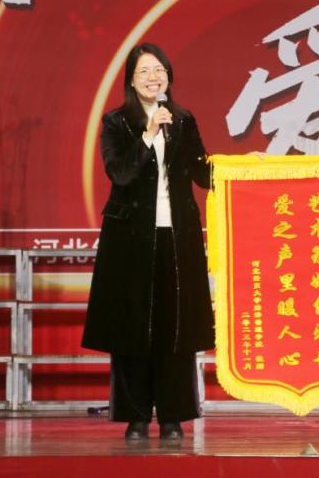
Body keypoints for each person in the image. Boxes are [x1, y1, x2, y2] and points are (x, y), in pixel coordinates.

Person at [82, 43, 214, 442]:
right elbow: (119, 173)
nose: (154, 77)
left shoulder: (184, 120)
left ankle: (174, 416)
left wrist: (243, 169)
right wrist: (149, 133)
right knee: (132, 327)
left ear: (169, 77)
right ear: (131, 80)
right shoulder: (115, 122)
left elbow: (203, 173)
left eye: (160, 70)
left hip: (177, 235)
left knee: (176, 328)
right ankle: (135, 416)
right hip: (129, 239)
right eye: (145, 71)